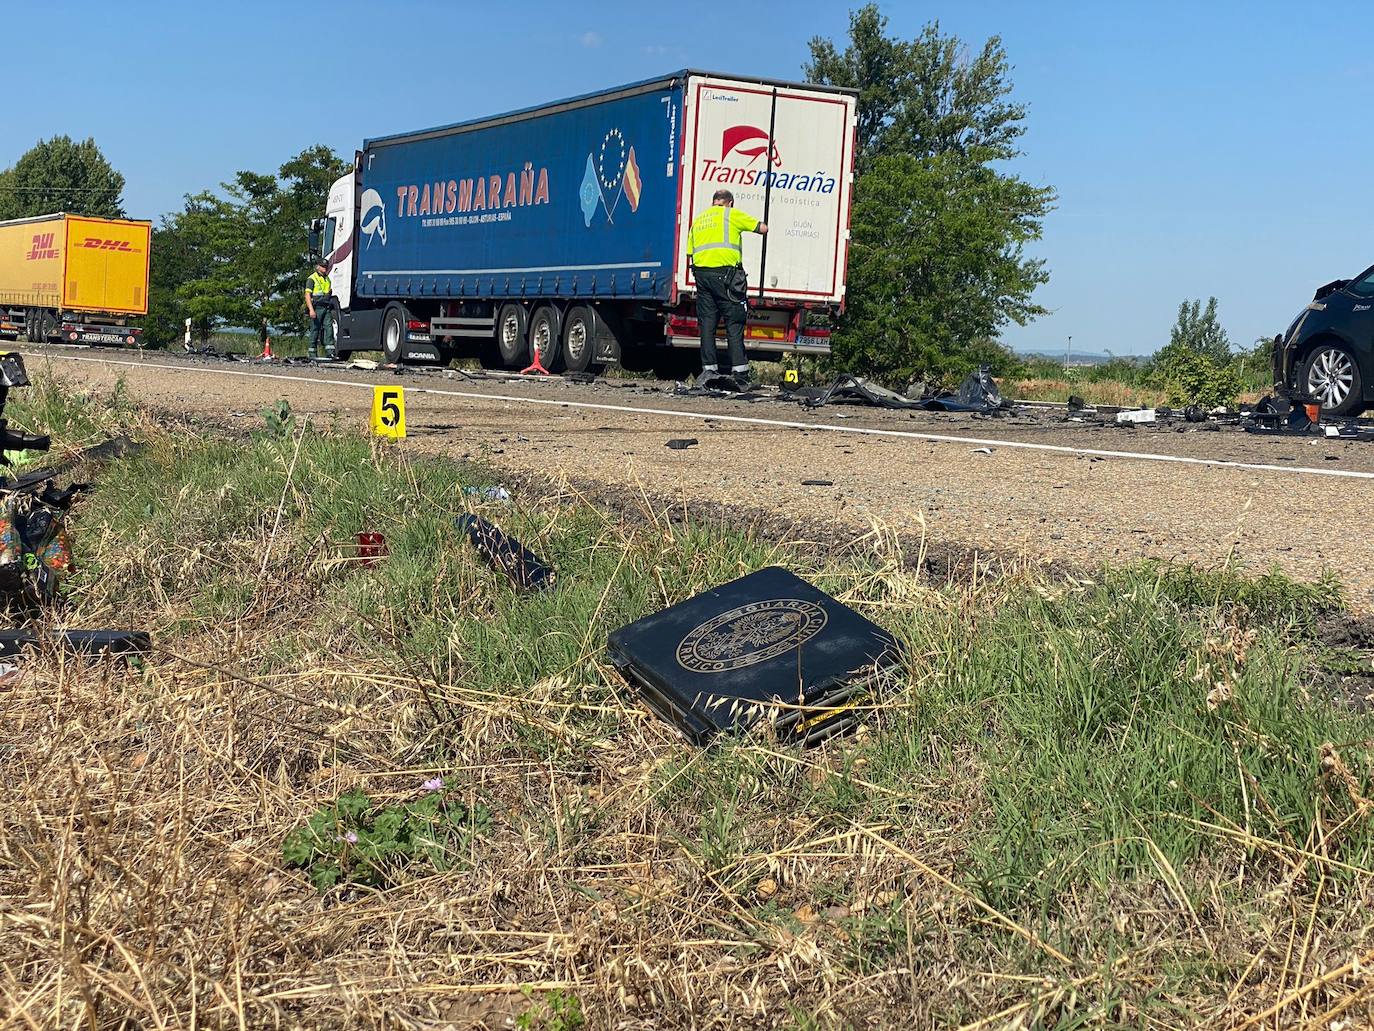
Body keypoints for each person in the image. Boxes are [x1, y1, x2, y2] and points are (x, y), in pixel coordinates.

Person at [686, 189, 767, 385]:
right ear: (730, 203)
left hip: (702, 277)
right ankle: (740, 372)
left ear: (714, 202)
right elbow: (762, 228)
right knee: (734, 322)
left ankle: (708, 371)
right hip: (726, 277)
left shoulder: (699, 220)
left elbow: (689, 252)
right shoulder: (731, 214)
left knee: (707, 324)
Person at [304, 261, 334, 360]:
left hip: (326, 307)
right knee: (315, 330)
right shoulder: (312, 279)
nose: (325, 268)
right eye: (323, 266)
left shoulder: (327, 279)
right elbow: (307, 295)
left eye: (326, 266)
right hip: (317, 307)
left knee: (329, 329)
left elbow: (328, 293)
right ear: (318, 267)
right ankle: (312, 353)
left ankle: (330, 352)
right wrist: (311, 310)